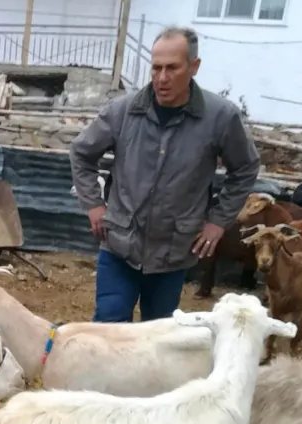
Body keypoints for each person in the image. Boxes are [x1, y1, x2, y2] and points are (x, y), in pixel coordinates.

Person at [69, 26, 260, 323]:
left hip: (173, 251)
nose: (161, 78)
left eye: (172, 68)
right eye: (156, 68)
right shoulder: (123, 111)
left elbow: (246, 168)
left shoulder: (220, 117)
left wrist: (218, 222)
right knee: (108, 329)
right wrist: (93, 205)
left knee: (159, 336)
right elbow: (81, 153)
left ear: (194, 67)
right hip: (120, 243)